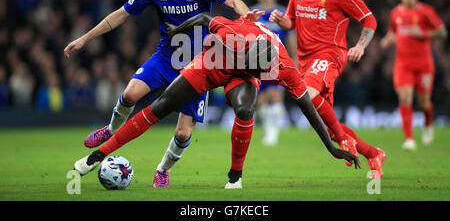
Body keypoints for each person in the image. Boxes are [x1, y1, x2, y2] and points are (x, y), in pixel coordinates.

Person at [74, 13, 361, 188]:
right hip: (213, 62)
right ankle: (96, 156)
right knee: (160, 107)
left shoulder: (283, 66)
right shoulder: (231, 32)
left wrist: (331, 148)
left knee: (246, 109)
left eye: (258, 71)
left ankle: (234, 177)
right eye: (252, 68)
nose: (255, 72)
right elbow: (201, 19)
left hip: (239, 76)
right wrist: (177, 31)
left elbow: (308, 108)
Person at [64, 0, 251, 182]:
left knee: (184, 133)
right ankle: (110, 130)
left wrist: (246, 17)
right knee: (130, 93)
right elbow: (121, 14)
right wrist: (84, 38)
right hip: (166, 56)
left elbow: (233, 1)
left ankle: (162, 171)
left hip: (198, 65)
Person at [269, 0, 385, 178]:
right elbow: (292, 21)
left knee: (309, 97)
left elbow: (369, 19)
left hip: (331, 54)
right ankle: (374, 153)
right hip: (305, 60)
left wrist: (360, 45)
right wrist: (282, 21)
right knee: (327, 126)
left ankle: (344, 140)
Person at [380, 0, 447, 150]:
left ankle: (427, 124)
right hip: (403, 65)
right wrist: (387, 39)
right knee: (404, 98)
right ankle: (409, 138)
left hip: (424, 65)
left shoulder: (425, 11)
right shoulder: (396, 12)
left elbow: (442, 32)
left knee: (424, 103)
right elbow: (394, 31)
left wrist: (424, 33)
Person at [250, 0, 296, 146]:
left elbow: (290, 36)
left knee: (275, 96)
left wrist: (295, 59)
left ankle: (272, 131)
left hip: (278, 62)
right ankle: (269, 128)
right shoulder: (251, 12)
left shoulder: (282, 13)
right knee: (260, 100)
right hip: (255, 63)